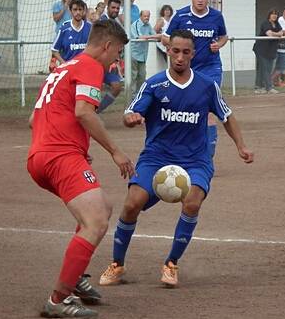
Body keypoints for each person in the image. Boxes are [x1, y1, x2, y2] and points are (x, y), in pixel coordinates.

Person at [99, 29, 254, 289]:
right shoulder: (154, 84)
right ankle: (117, 264)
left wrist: (241, 146)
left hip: (195, 160)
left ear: (193, 54)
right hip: (156, 157)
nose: (180, 57)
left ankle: (171, 263)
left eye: (185, 52)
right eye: (175, 51)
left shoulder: (207, 85)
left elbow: (227, 116)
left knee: (193, 202)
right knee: (131, 204)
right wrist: (131, 119)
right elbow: (130, 113)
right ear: (168, 51)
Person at [27, 19, 134, 319]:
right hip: (59, 156)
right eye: (117, 54)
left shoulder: (61, 70)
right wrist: (115, 151)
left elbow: (34, 121)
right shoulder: (90, 66)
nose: (116, 61)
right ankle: (58, 299)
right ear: (106, 46)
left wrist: (70, 148)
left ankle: (75, 279)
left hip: (40, 156)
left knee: (102, 206)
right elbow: (84, 112)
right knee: (96, 221)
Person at [162, 0, 228, 159]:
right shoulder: (181, 15)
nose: (200, 1)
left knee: (207, 109)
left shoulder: (216, 16)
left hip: (211, 68)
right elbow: (165, 38)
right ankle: (185, 148)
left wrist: (218, 45)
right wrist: (177, 49)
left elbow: (224, 37)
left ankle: (207, 154)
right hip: (187, 70)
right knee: (184, 108)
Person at [98, 0, 125, 112]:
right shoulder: (102, 21)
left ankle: (96, 111)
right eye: (113, 7)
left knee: (116, 87)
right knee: (93, 89)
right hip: (98, 62)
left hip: (110, 63)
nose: (115, 10)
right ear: (107, 8)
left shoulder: (116, 22)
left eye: (117, 8)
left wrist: (116, 60)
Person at [51, 0, 91, 68]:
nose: (78, 12)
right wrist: (64, 64)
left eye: (80, 9)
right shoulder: (64, 28)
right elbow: (54, 50)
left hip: (85, 68)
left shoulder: (90, 27)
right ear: (70, 11)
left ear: (83, 11)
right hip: (69, 69)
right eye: (75, 10)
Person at [129, 10, 160, 95]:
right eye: (145, 16)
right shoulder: (135, 24)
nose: (147, 18)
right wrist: (153, 36)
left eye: (148, 16)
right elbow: (140, 37)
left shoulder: (148, 25)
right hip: (134, 54)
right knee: (133, 76)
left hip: (143, 55)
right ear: (141, 16)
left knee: (142, 75)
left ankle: (140, 94)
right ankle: (132, 96)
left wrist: (158, 36)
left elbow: (155, 35)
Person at [253, 8, 283, 94]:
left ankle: (259, 86)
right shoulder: (265, 23)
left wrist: (277, 34)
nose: (274, 15)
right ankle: (268, 87)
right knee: (265, 68)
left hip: (271, 50)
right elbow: (269, 33)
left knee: (266, 69)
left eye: (276, 14)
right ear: (269, 15)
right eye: (272, 14)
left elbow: (281, 33)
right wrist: (277, 34)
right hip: (261, 49)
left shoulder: (277, 24)